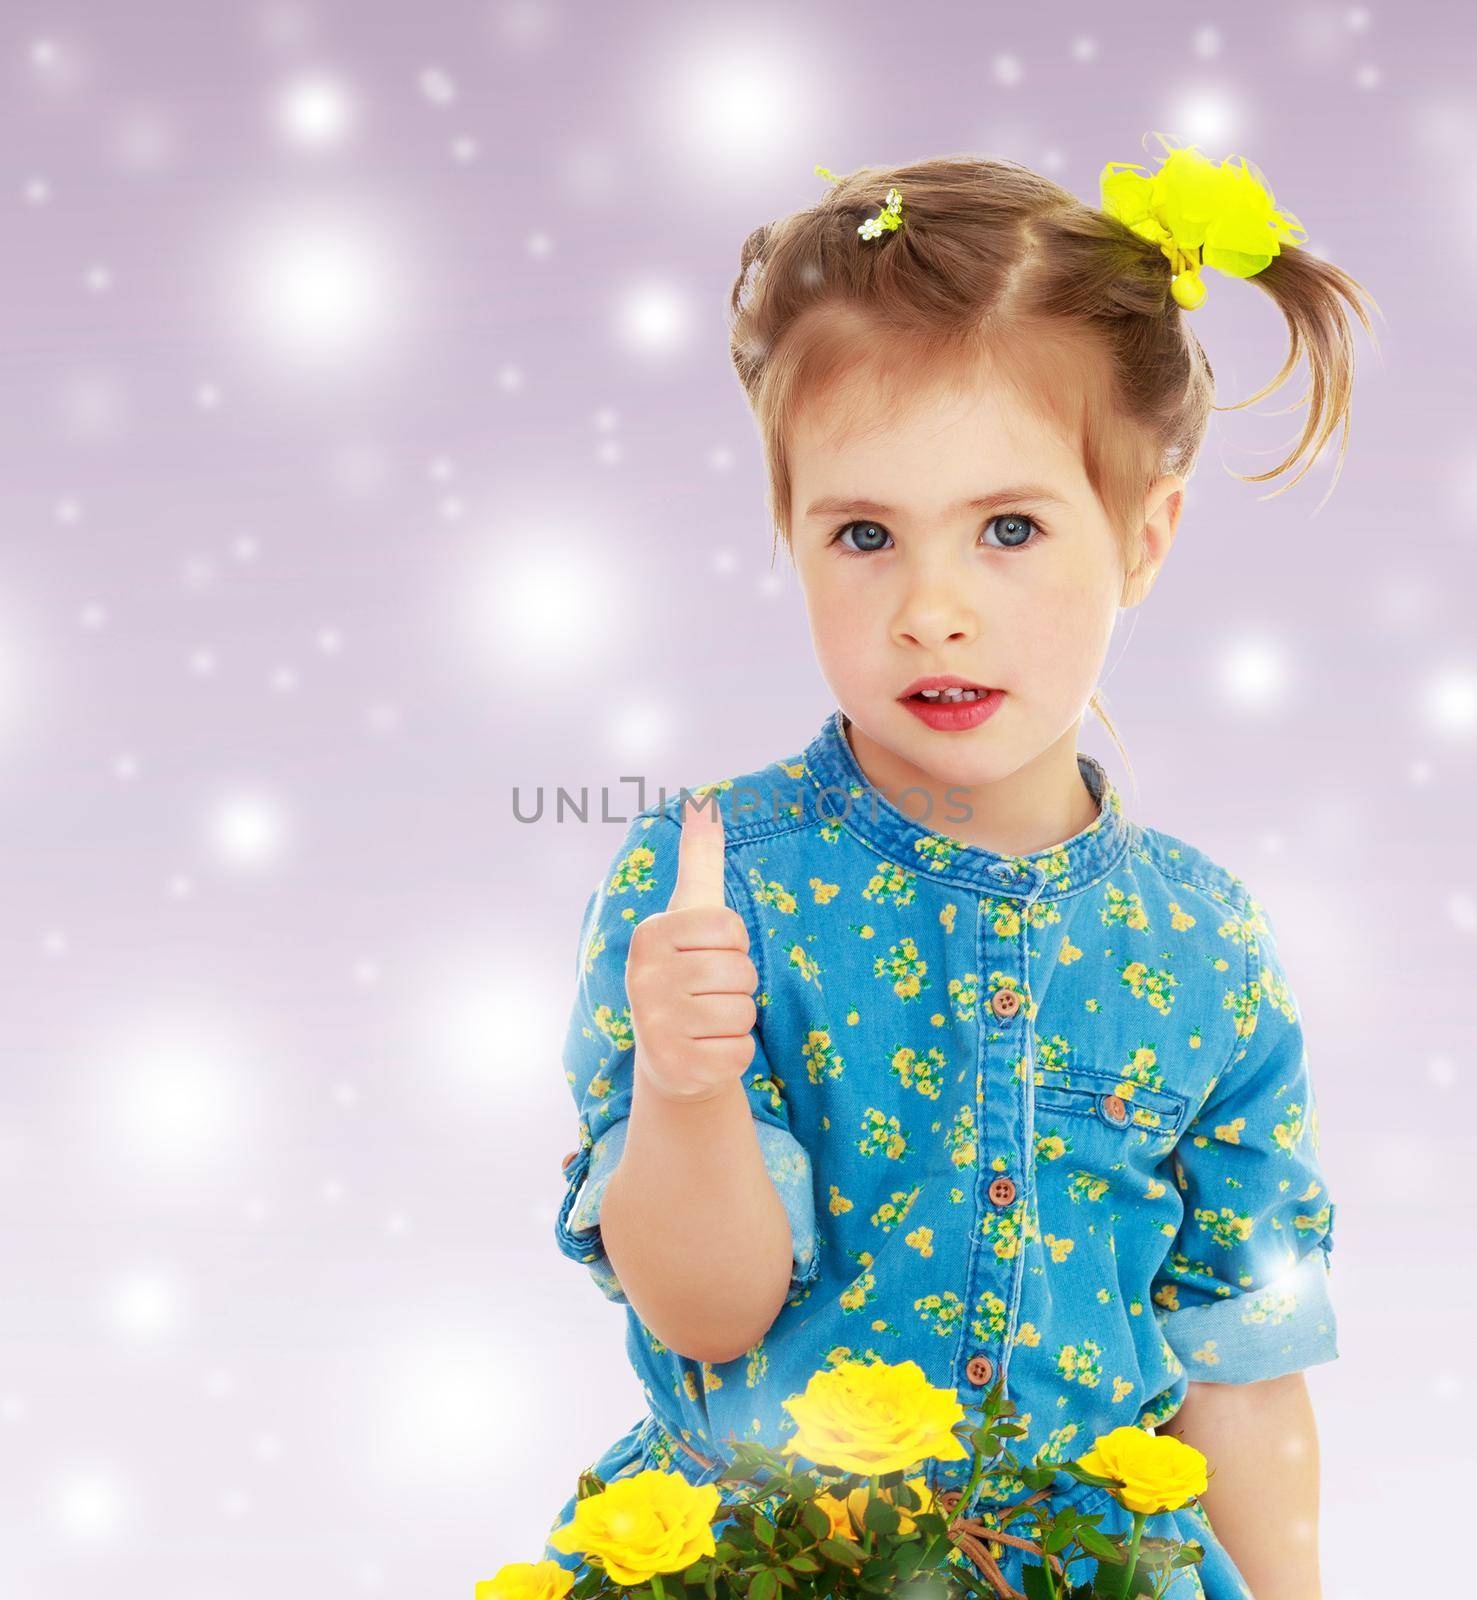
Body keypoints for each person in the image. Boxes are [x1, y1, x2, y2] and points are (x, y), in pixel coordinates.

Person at [541, 137, 1379, 1599]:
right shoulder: (714, 883)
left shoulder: (1199, 939)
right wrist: (685, 1091)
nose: (932, 610)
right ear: (789, 543)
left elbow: (1236, 1359)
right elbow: (707, 1309)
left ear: (1141, 535)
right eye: (864, 534)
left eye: (1007, 530)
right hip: (774, 1562)